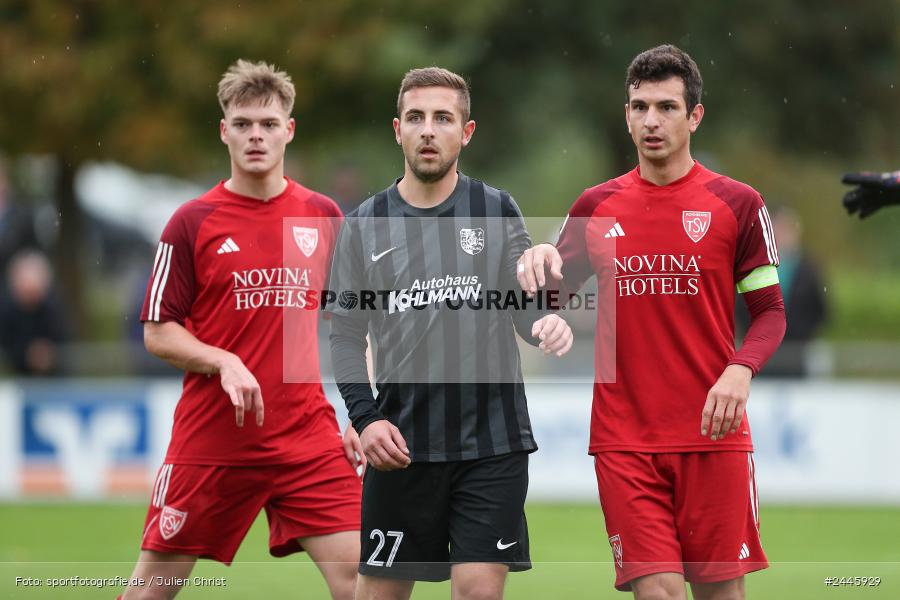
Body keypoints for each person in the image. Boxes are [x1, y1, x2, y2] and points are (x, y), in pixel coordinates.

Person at [516, 45, 786, 599]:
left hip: (713, 436)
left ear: (695, 116)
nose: (651, 121)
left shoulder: (737, 203)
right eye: (639, 107)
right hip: (625, 438)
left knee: (720, 594)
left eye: (666, 107)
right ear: (626, 114)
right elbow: (543, 298)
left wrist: (740, 371)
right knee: (657, 590)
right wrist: (534, 278)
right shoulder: (597, 205)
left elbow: (771, 314)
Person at [326, 67, 573, 600]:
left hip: (492, 445)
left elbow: (523, 305)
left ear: (467, 131)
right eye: (416, 118)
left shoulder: (495, 208)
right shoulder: (362, 225)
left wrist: (545, 322)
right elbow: (344, 337)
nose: (428, 130)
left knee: (478, 593)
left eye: (443, 118)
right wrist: (365, 420)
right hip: (400, 447)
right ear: (398, 130)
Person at [120, 60, 363, 600]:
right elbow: (159, 332)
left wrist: (364, 413)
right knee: (149, 592)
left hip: (307, 438)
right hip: (213, 439)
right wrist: (222, 359)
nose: (257, 135)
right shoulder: (192, 221)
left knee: (365, 582)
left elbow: (354, 326)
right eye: (244, 123)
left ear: (289, 130)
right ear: (224, 130)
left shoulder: (322, 215)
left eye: (269, 124)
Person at [736, 205, 827, 377]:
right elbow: (741, 304)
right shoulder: (754, 264)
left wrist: (800, 334)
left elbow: (821, 309)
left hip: (796, 352)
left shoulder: (809, 269)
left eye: (786, 230)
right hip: (759, 351)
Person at [0, 249, 70, 375]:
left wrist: (49, 354)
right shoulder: (6, 311)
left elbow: (65, 340)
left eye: (34, 293)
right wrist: (27, 355)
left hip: (54, 379)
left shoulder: (54, 308)